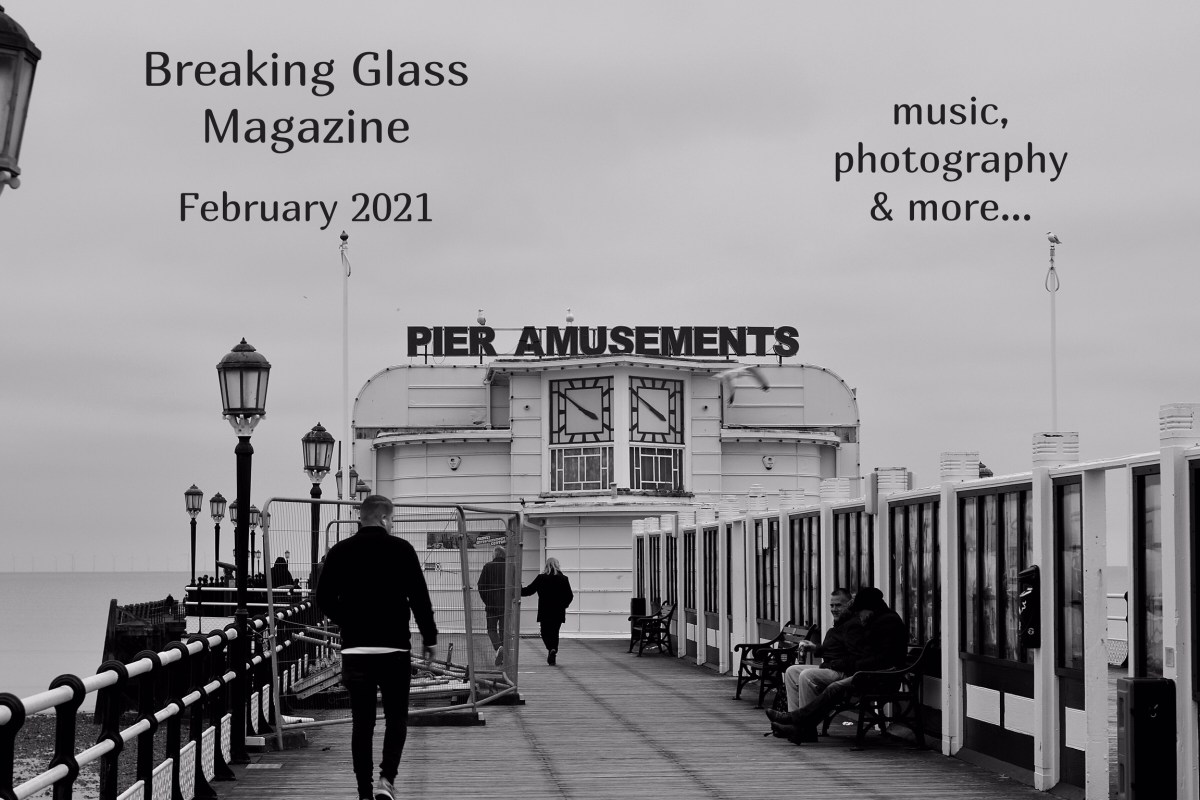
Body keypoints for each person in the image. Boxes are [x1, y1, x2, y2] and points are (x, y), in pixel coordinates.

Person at [316, 495, 438, 800]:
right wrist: (430, 636)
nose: (392, 523)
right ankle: (387, 780)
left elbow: (323, 598)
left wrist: (349, 619)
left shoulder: (340, 551)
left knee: (363, 723)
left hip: (356, 650)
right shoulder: (402, 550)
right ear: (384, 518)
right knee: (397, 718)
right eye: (392, 518)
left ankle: (364, 793)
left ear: (361, 517)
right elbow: (420, 598)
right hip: (394, 649)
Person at [766, 586, 908, 743]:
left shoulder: (886, 623)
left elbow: (878, 659)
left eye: (860, 611)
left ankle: (796, 721)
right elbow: (868, 656)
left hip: (880, 677)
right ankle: (797, 724)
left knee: (833, 687)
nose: (859, 616)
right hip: (870, 673)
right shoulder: (877, 621)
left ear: (869, 608)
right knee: (803, 675)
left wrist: (840, 664)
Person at [779, 588, 858, 713]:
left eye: (838, 605)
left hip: (843, 672)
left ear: (849, 604)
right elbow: (833, 648)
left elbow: (854, 656)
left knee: (807, 675)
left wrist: (831, 664)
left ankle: (805, 724)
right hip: (831, 668)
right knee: (792, 671)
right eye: (831, 605)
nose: (834, 609)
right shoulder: (840, 623)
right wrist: (815, 648)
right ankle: (793, 717)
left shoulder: (853, 625)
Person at [520, 557, 573, 665]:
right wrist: (564, 605)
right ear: (557, 565)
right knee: (555, 632)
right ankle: (553, 650)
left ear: (546, 566)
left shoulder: (541, 578)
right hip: (558, 611)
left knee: (544, 632)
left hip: (545, 611)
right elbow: (569, 596)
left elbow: (528, 591)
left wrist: (518, 588)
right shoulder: (564, 579)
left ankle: (550, 648)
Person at [477, 546, 507, 665]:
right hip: (506, 604)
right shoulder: (510, 566)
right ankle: (503, 653)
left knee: (491, 629)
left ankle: (498, 648)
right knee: (504, 630)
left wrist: (487, 600)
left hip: (491, 605)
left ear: (494, 555)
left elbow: (481, 585)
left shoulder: (488, 566)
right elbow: (515, 585)